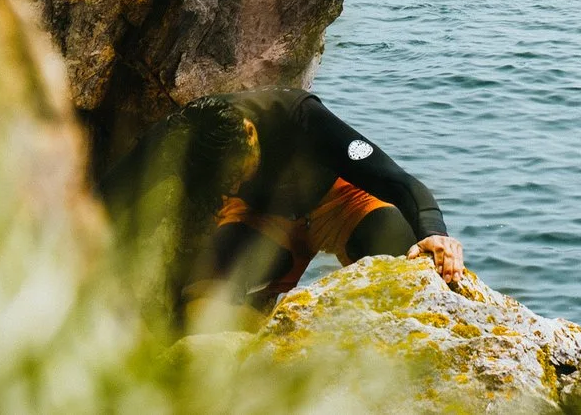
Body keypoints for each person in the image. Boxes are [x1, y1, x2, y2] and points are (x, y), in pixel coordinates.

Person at [101, 89, 466, 327]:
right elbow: (106, 196)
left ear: (249, 131)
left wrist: (435, 233)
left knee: (413, 264)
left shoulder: (299, 116)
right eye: (223, 182)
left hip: (338, 203)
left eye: (235, 172)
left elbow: (396, 179)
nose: (232, 183)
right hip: (260, 217)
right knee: (201, 316)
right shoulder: (175, 136)